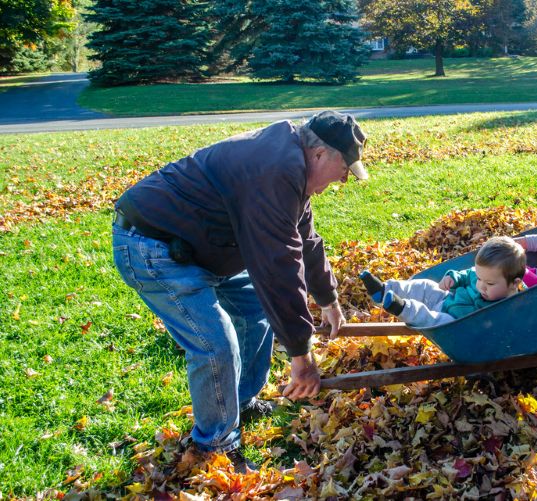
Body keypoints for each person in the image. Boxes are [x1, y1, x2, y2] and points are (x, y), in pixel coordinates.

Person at [111, 110, 367, 472]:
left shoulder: (291, 163)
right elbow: (277, 266)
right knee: (215, 345)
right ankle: (214, 446)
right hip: (153, 244)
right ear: (321, 154)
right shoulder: (276, 170)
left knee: (253, 311)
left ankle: (240, 400)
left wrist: (328, 299)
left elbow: (305, 241)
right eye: (344, 170)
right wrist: (301, 356)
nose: (342, 181)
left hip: (201, 246)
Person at [359, 236, 526, 328]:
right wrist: (452, 277)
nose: (481, 285)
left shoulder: (508, 305)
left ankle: (401, 307)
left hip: (454, 322)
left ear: (513, 283)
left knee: (432, 319)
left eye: (489, 284)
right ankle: (384, 289)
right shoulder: (482, 276)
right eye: (480, 278)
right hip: (446, 299)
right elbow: (466, 274)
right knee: (424, 286)